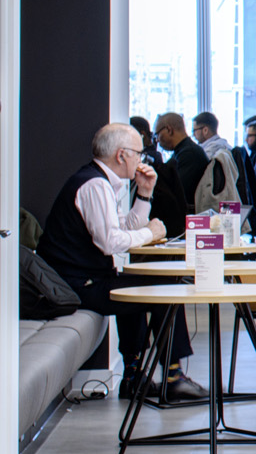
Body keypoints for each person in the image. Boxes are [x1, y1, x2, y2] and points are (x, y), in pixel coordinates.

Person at [36, 123, 205, 404]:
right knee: (165, 289)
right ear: (121, 155)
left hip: (81, 279)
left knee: (136, 285)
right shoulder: (95, 185)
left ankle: (134, 376)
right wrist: (150, 233)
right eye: (139, 153)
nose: (142, 160)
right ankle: (173, 378)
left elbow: (123, 228)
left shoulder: (99, 181)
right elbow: (110, 242)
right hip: (75, 285)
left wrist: (144, 193)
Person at [149, 112, 208, 235]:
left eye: (158, 134)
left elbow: (176, 192)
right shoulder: (182, 152)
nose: (158, 140)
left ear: (169, 130)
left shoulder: (189, 154)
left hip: (185, 223)